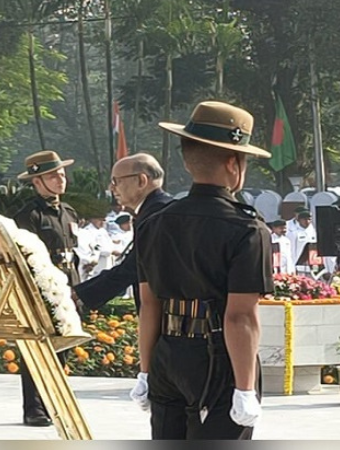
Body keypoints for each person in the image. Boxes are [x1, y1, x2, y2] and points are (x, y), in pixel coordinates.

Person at [131, 100, 272, 440]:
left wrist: (146, 371)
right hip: (218, 357)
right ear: (233, 162)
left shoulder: (154, 222)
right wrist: (244, 387)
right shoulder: (247, 229)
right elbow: (240, 317)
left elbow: (149, 305)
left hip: (167, 353)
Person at [13, 150, 81, 427]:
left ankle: (54, 401)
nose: (60, 179)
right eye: (52, 175)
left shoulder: (69, 212)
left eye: (62, 174)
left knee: (63, 345)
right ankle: (34, 408)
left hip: (67, 285)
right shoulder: (28, 215)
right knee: (35, 348)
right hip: (40, 289)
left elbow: (73, 251)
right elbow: (22, 257)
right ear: (37, 181)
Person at [72, 153, 172, 311]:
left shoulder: (158, 214)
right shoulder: (156, 210)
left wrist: (79, 293)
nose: (111, 188)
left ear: (141, 180)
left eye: (116, 181)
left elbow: (133, 267)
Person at [75, 214, 115, 282]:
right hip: (90, 264)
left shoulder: (102, 231)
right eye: (100, 220)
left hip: (102, 263)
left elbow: (99, 247)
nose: (102, 223)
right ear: (92, 219)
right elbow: (97, 248)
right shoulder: (89, 231)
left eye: (103, 220)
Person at [287, 210, 317, 276]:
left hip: (312, 265)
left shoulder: (313, 232)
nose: (307, 221)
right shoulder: (293, 233)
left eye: (309, 219)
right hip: (297, 264)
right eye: (304, 219)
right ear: (299, 220)